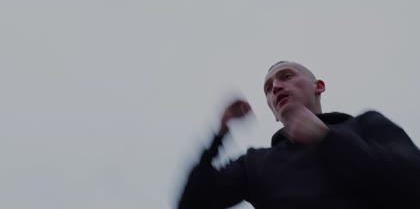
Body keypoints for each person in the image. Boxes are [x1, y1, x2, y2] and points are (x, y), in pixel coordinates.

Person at [177, 61, 420, 209]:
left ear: (319, 86)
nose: (276, 88)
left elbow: (412, 184)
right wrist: (219, 134)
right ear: (272, 110)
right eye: (269, 89)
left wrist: (328, 139)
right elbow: (192, 203)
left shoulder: (367, 125)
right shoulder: (255, 164)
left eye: (287, 76)